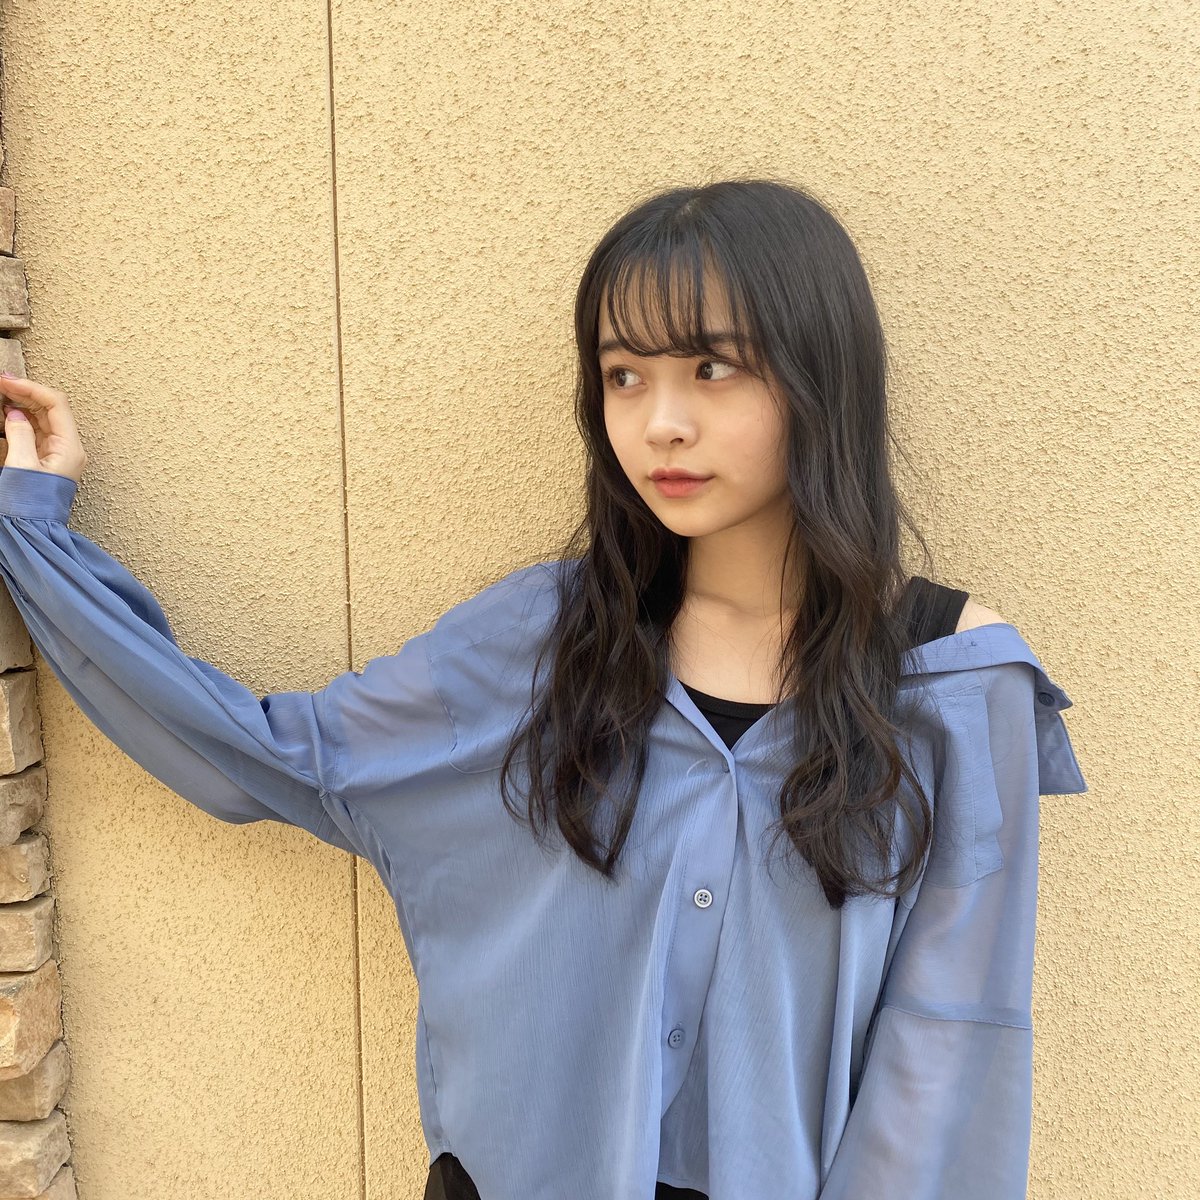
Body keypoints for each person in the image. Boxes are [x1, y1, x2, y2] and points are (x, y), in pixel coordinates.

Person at [0, 178, 1086, 1200]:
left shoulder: (949, 679)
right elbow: (282, 757)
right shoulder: (544, 642)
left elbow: (949, 1040)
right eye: (624, 375)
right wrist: (36, 537)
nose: (659, 423)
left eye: (712, 368)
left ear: (819, 376)